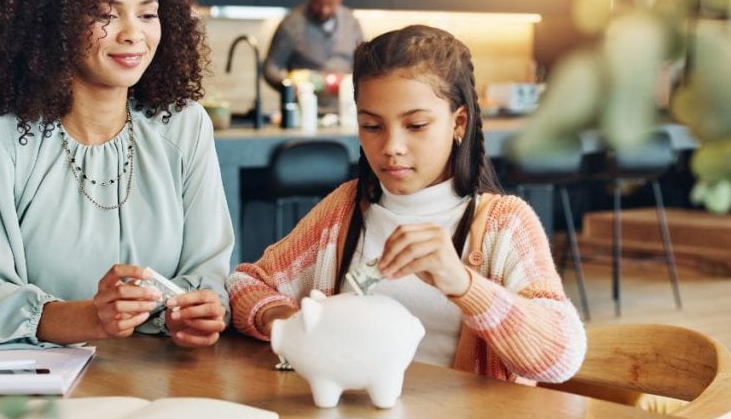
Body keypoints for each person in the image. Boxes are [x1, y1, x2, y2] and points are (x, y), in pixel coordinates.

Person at [0, 0, 232, 349]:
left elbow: (209, 272)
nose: (133, 33)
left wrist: (202, 309)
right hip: (38, 393)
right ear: (50, 21)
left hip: (164, 383)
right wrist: (90, 318)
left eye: (148, 13)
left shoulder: (184, 127)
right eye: (105, 12)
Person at [229, 25, 586, 384]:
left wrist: (463, 285)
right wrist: (286, 322)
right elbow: (247, 283)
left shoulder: (504, 225)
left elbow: (561, 358)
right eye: (372, 126)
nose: (391, 147)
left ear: (458, 122)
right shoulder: (345, 211)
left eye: (415, 125)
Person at [263, 0, 364, 111]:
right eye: (319, 3)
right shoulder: (292, 24)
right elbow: (271, 68)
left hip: (345, 110)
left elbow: (363, 64)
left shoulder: (351, 22)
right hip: (303, 110)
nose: (324, 10)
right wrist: (290, 83)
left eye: (331, 4)